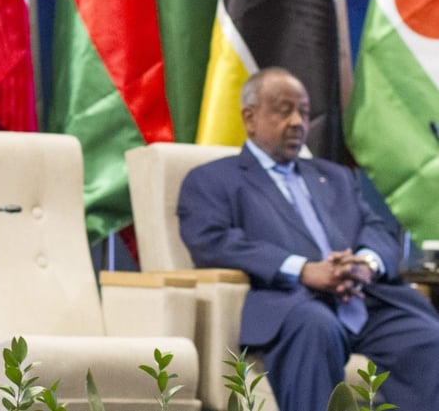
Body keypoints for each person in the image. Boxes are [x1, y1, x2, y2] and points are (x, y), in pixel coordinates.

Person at [178, 67, 439, 410]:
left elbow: (376, 229)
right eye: (284, 110)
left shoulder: (335, 177)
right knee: (315, 327)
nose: (298, 122)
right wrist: (303, 270)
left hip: (362, 300)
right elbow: (211, 241)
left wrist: (365, 263)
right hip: (293, 303)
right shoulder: (213, 179)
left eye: (303, 111)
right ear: (250, 117)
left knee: (427, 337)